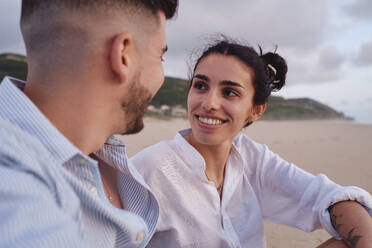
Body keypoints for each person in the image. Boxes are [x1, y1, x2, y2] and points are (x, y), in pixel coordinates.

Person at [131, 38, 372, 248]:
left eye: (230, 92)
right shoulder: (149, 170)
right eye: (201, 86)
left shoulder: (251, 159)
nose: (209, 103)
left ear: (256, 111)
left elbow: (327, 196)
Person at [0, 0, 178, 247]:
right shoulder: (15, 184)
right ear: (123, 55)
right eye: (160, 56)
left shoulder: (102, 152)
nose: (161, 74)